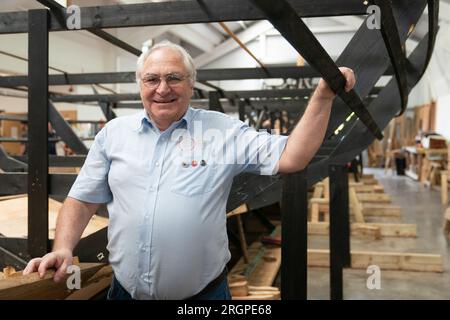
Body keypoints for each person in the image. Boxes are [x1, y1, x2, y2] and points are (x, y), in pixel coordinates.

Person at [23, 41, 356, 300]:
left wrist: (323, 97)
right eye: (152, 79)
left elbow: (292, 157)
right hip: (124, 292)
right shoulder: (114, 134)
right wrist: (64, 247)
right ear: (140, 84)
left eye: (174, 78)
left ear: (191, 84)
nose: (162, 88)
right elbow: (81, 200)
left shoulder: (223, 132)